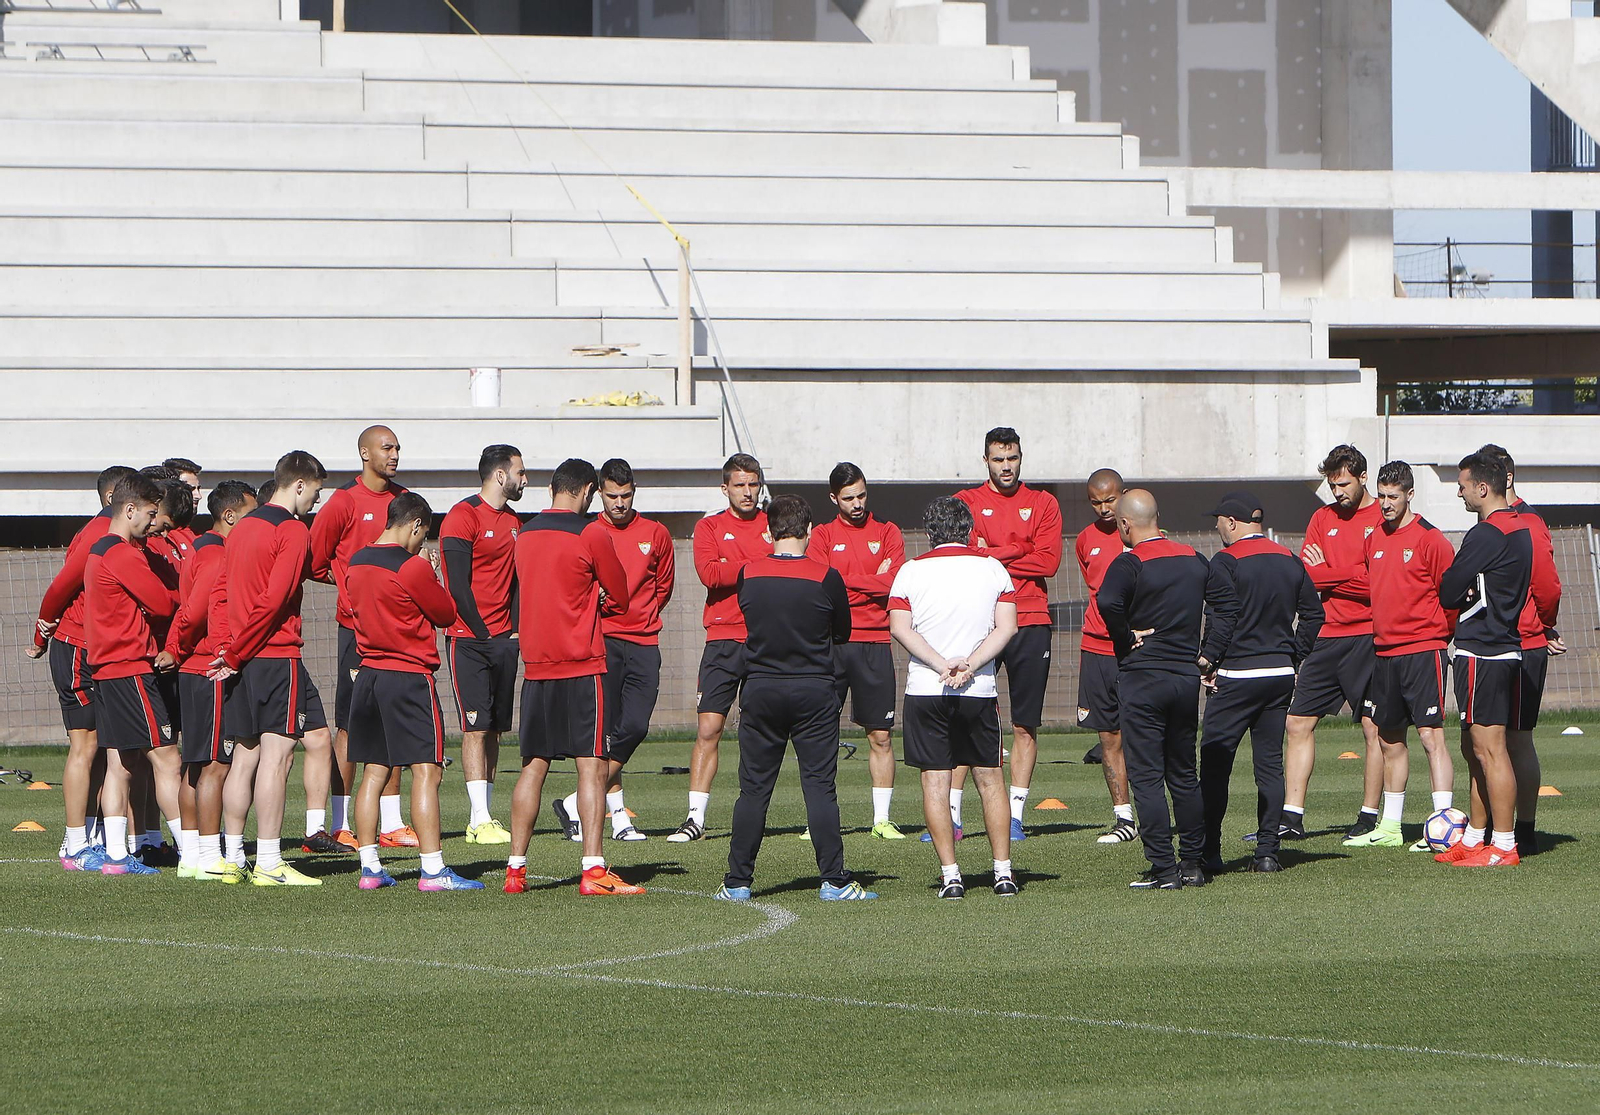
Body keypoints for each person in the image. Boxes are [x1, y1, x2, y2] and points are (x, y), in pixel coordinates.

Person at [717, 494, 875, 902]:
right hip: (813, 691)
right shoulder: (826, 577)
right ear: (809, 531)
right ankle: (834, 881)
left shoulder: (749, 573)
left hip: (761, 690)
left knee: (753, 790)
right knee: (820, 788)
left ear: (769, 531)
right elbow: (841, 631)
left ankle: (736, 882)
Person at [502, 459, 642, 897]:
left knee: (533, 766)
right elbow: (620, 592)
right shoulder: (591, 532)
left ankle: (515, 870)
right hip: (583, 665)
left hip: (538, 667)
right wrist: (596, 592)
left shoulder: (523, 534)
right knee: (592, 766)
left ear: (550, 489)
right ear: (586, 491)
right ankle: (594, 870)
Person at [1097, 489, 1235, 890]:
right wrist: (1210, 655)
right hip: (1183, 679)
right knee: (1183, 775)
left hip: (1143, 679)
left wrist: (1125, 638)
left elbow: (1108, 602)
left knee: (1146, 777)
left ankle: (1162, 870)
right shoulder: (1195, 559)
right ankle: (1192, 864)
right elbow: (1226, 607)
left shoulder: (1130, 562)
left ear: (1125, 524)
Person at [348, 493, 481, 891]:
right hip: (407, 677)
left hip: (368, 674)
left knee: (373, 772)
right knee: (428, 769)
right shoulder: (411, 567)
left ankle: (370, 869)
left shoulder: (356, 562)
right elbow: (444, 613)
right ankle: (433, 869)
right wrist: (431, 571)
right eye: (423, 536)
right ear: (416, 525)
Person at [888, 496, 1020, 900]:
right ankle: (1003, 873)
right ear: (970, 530)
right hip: (977, 689)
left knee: (935, 782)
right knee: (991, 779)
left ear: (929, 534)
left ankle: (951, 876)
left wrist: (940, 663)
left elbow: (899, 626)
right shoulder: (993, 567)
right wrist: (971, 664)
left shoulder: (909, 571)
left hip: (927, 689)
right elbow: (1008, 627)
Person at [211, 450, 327, 886]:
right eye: (315, 491)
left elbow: (224, 594)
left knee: (244, 757)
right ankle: (269, 862)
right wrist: (238, 651)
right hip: (274, 656)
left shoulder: (241, 529)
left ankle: (233, 857)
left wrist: (229, 648)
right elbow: (275, 600)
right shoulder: (293, 530)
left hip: (242, 655)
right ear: (299, 484)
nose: (315, 501)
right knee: (276, 759)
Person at [1197, 492, 1322, 874]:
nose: (1216, 527)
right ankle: (1267, 852)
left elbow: (1223, 618)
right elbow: (1314, 616)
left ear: (1232, 522)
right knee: (1269, 767)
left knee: (1216, 766)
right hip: (1279, 676)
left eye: (1218, 520)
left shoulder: (1226, 561)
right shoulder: (1289, 558)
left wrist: (1208, 661)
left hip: (1237, 675)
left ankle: (1209, 851)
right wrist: (1295, 657)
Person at [952, 426, 1062, 843]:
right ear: (986, 461)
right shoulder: (966, 502)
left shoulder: (1044, 503)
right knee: (965, 715)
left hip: (1031, 619)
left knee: (1024, 725)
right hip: (980, 621)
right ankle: (954, 816)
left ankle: (1015, 816)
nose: (1006, 467)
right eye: (998, 459)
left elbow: (1048, 562)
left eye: (1012, 458)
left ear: (1021, 458)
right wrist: (1020, 549)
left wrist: (994, 551)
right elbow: (967, 555)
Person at [556, 458, 673, 844]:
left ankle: (577, 802)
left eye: (625, 495)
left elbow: (663, 587)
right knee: (605, 734)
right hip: (601, 641)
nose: (619, 503)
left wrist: (641, 611)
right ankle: (618, 816)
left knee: (635, 727)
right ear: (599, 494)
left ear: (634, 492)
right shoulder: (587, 532)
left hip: (643, 639)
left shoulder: (655, 533)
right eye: (611, 496)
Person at [1344, 462, 1457, 852]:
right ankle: (1390, 826)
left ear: (1410, 495)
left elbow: (1452, 596)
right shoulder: (1373, 537)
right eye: (1382, 496)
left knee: (1430, 736)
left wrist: (1438, 636)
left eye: (1394, 496)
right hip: (1384, 652)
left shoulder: (1430, 539)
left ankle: (1445, 826)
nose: (1386, 504)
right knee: (1389, 739)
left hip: (1423, 651)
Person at [309, 424, 412, 849]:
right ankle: (339, 821)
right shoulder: (343, 502)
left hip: (399, 629)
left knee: (396, 720)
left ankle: (392, 822)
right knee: (351, 724)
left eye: (397, 448)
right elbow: (314, 560)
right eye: (386, 447)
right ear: (364, 454)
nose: (394, 454)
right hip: (357, 630)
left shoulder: (403, 500)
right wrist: (353, 587)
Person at [33, 464, 136, 871]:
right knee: (86, 745)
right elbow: (60, 586)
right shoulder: (98, 533)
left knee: (101, 747)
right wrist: (42, 633)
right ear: (115, 498)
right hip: (77, 647)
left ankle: (88, 835)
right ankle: (74, 844)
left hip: (97, 649)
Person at [1435, 452, 1533, 868]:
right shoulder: (1521, 528)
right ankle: (1476, 837)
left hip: (1485, 650)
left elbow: (1448, 589)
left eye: (1462, 485)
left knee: (1490, 749)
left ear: (1482, 487)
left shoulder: (1488, 533)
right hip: (1498, 648)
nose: (1458, 491)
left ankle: (1505, 845)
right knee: (1475, 748)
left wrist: (1464, 589)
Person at [1283, 444, 1386, 841]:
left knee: (1374, 728)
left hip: (1369, 636)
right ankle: (1291, 818)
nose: (1337, 492)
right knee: (1297, 722)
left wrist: (1328, 571)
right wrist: (1345, 574)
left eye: (1343, 483)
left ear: (1362, 478)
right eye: (1331, 484)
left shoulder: (1382, 515)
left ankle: (1368, 816)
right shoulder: (1320, 517)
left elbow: (1378, 581)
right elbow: (1306, 578)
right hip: (1327, 636)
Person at [669, 453, 770, 843]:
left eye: (753, 484)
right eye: (740, 485)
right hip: (724, 639)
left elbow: (792, 563)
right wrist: (761, 562)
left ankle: (757, 812)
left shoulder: (772, 523)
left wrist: (741, 563)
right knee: (709, 727)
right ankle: (695, 816)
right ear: (725, 488)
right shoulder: (709, 526)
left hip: (766, 638)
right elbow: (711, 574)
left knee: (762, 731)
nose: (748, 492)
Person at [82, 473, 179, 876]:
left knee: (119, 763)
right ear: (129, 509)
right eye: (150, 513)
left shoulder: (97, 550)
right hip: (129, 667)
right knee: (167, 757)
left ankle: (119, 857)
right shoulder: (120, 552)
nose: (152, 523)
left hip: (107, 668)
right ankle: (195, 853)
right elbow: (160, 602)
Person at [160, 479, 256, 881]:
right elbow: (196, 609)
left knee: (196, 765)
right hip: (207, 666)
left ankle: (192, 856)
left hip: (196, 666)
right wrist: (179, 648)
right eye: (252, 513)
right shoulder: (217, 553)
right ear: (230, 516)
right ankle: (210, 854)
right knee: (215, 764)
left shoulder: (204, 548)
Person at [806, 462, 907, 839]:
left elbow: (893, 584)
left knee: (880, 735)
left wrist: (844, 581)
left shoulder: (888, 531)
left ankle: (881, 819)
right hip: (830, 643)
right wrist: (869, 581)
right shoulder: (821, 536)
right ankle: (818, 817)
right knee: (819, 733)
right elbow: (820, 585)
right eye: (848, 498)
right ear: (834, 498)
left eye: (862, 495)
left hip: (875, 642)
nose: (857, 503)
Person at [439, 444, 526, 845]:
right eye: (520, 472)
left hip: (503, 640)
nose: (525, 479)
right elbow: (456, 586)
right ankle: (478, 818)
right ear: (499, 475)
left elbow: (516, 582)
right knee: (474, 728)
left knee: (493, 729)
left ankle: (487, 817)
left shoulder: (514, 521)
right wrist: (483, 631)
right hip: (469, 639)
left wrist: (515, 631)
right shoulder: (462, 515)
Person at [1478, 444, 1562, 856]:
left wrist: (1542, 626)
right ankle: (1495, 828)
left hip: (1521, 644)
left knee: (1516, 738)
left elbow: (1547, 585)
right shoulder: (1493, 524)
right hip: (1494, 644)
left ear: (1506, 478)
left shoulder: (1528, 523)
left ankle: (1522, 831)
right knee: (1486, 740)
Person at [1076, 467, 1136, 843]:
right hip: (1096, 647)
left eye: (1110, 500)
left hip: (1136, 649)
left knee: (1148, 734)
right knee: (1108, 736)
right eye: (1096, 502)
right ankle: (1124, 818)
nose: (1103, 509)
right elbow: (1095, 588)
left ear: (1124, 494)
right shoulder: (1085, 539)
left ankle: (1162, 812)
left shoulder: (1143, 535)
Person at [161, 457, 204, 555]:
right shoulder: (159, 537)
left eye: (198, 489)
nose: (198, 496)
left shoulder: (198, 536)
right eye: (190, 489)